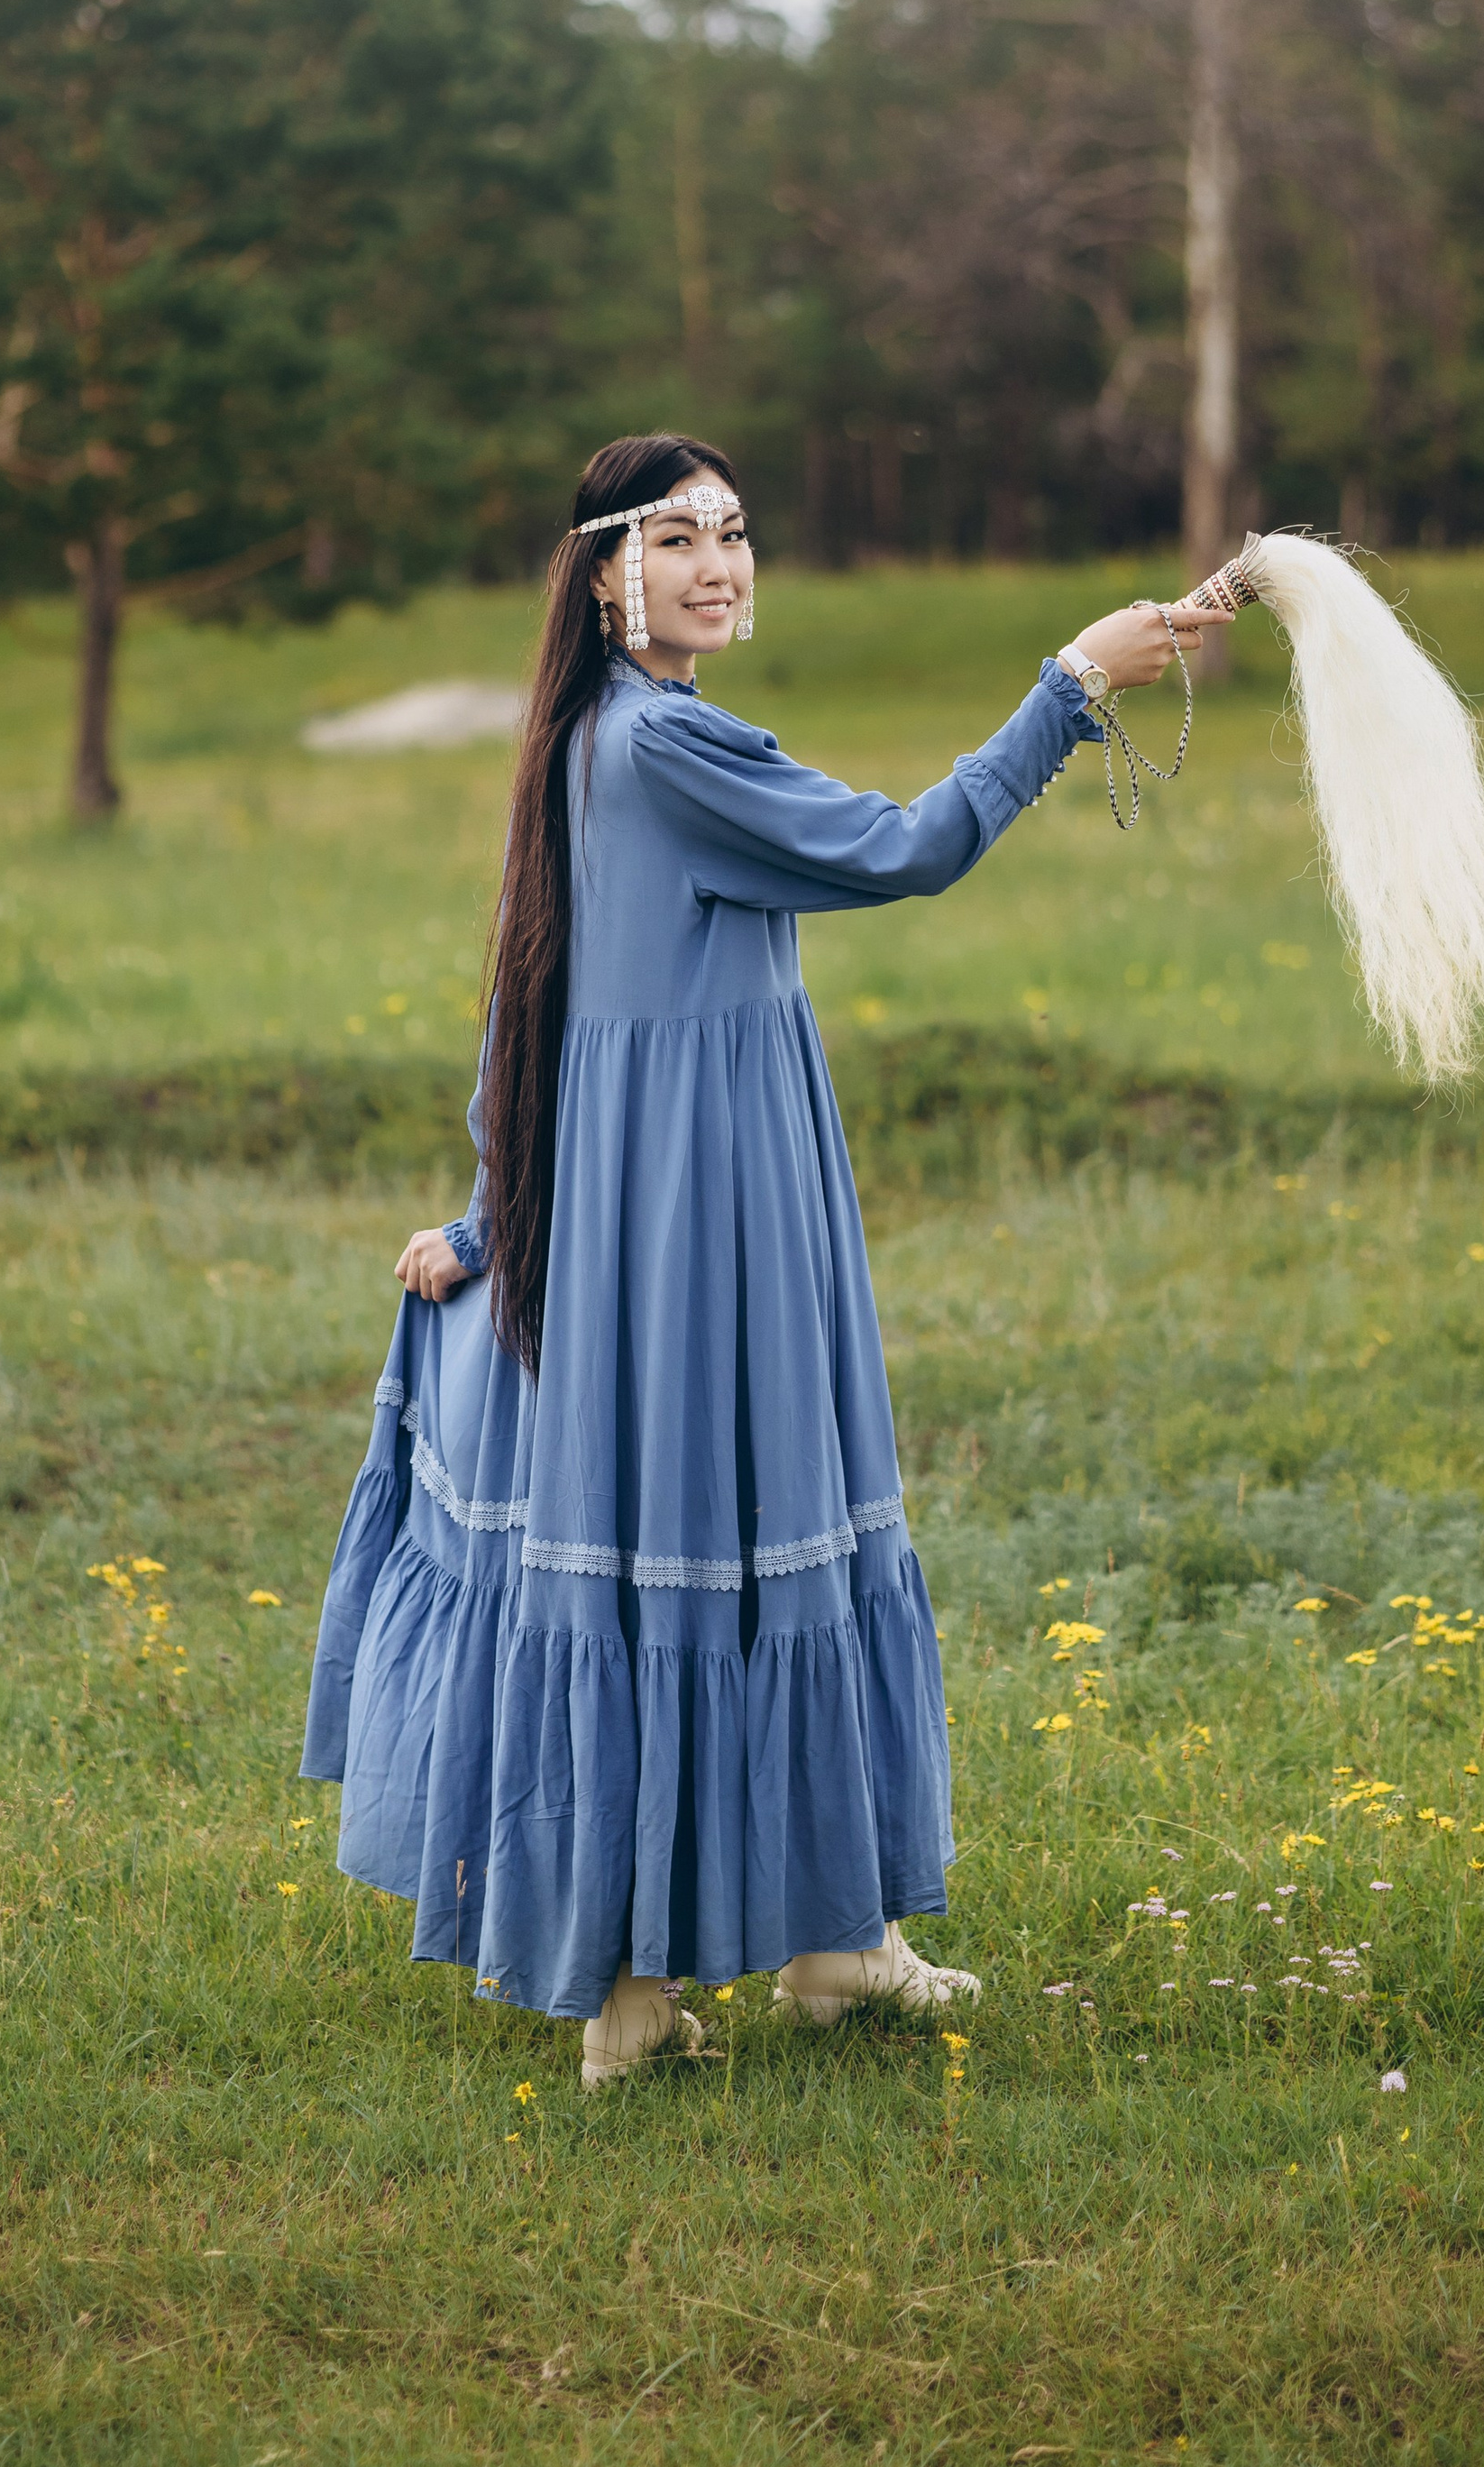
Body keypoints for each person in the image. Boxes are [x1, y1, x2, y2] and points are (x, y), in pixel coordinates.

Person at [301, 435, 1214, 2084]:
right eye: (678, 539)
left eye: (735, 534)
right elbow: (906, 849)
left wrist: (486, 1214)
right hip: (694, 1219)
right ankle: (639, 1991)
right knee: (719, 1533)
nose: (720, 563)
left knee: (736, 1525)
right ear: (603, 575)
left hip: (718, 1190)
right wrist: (1070, 687)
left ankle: (820, 1940)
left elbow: (533, 1007)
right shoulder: (662, 752)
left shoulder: (603, 741)